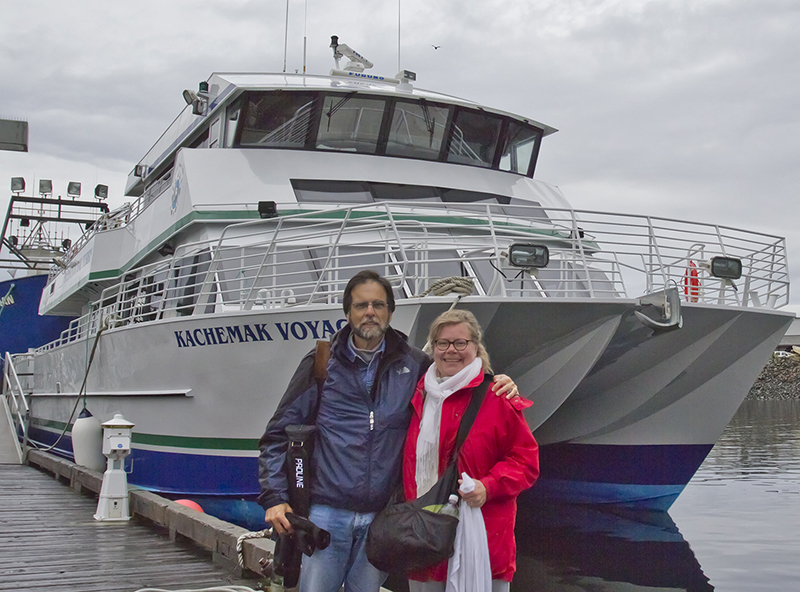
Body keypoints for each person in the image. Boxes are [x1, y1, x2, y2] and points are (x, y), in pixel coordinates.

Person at [258, 270, 519, 592]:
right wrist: (275, 497)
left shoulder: (415, 365)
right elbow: (278, 435)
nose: (370, 312)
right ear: (347, 313)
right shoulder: (321, 364)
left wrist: (498, 383)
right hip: (326, 515)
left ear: (390, 312)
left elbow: (458, 384)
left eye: (378, 305)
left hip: (383, 519)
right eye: (361, 305)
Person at [402, 309, 539, 592]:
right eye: (443, 343)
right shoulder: (417, 395)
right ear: (433, 348)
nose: (451, 350)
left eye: (460, 343)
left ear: (476, 347)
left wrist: (487, 487)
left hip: (482, 542)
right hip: (424, 538)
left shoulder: (497, 398)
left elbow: (526, 462)